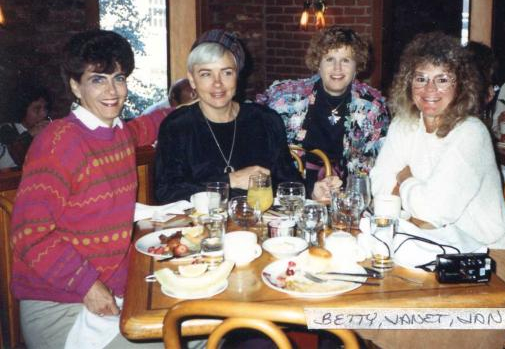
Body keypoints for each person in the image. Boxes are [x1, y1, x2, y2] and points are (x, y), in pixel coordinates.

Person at [10, 30, 172, 349]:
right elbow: (28, 233)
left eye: (119, 77)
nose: (112, 90)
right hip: (60, 306)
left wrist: (184, 107)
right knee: (176, 339)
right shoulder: (58, 142)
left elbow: (143, 127)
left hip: (113, 296)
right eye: (98, 79)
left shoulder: (117, 133)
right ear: (75, 86)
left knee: (195, 329)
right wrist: (87, 285)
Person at [364, 32, 505, 349]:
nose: (429, 90)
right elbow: (379, 186)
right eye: (420, 78)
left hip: (483, 257)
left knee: (410, 320)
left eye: (442, 79)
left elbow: (436, 209)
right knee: (364, 291)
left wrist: (404, 181)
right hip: (422, 241)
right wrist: (410, 192)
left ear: (460, 85)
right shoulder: (404, 124)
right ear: (408, 83)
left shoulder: (471, 132)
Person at [155, 29, 340, 203]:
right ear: (193, 80)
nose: (217, 84)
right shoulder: (176, 127)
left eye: (226, 72)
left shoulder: (265, 120)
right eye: (206, 74)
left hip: (259, 228)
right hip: (200, 230)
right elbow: (167, 192)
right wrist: (230, 181)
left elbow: (286, 180)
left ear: (237, 76)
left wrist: (313, 191)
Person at [256, 25, 389, 193]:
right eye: (329, 59)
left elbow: (379, 164)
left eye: (346, 60)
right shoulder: (286, 99)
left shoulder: (372, 108)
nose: (337, 68)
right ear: (318, 64)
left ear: (357, 67)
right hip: (296, 190)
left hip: (347, 192)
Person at [0, 85, 52, 169]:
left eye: (45, 108)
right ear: (22, 110)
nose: (44, 114)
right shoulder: (5, 130)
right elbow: (5, 163)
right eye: (37, 109)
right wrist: (30, 135)